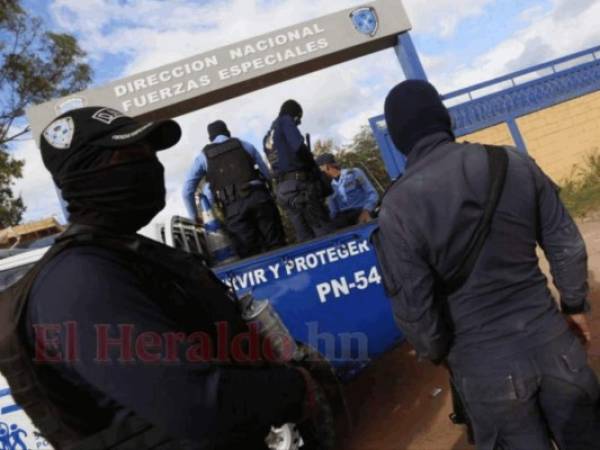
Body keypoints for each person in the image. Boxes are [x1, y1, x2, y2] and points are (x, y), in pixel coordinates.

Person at [0, 106, 316, 450]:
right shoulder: (79, 278)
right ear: (86, 172)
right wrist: (294, 388)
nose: (151, 163)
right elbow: (196, 404)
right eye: (133, 152)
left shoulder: (128, 254)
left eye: (150, 151)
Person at [373, 80, 600, 450]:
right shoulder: (512, 162)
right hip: (557, 349)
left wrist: (438, 351)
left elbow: (416, 311)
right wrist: (574, 306)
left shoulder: (396, 210)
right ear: (443, 118)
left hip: (485, 373)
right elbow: (566, 243)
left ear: (399, 139)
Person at [182, 120, 286, 258]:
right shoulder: (244, 144)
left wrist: (195, 217)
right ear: (228, 132)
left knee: (250, 253)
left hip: (233, 208)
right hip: (259, 198)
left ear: (210, 139)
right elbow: (266, 172)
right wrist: (271, 191)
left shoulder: (203, 157)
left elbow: (187, 190)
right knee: (277, 244)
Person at [264, 100, 334, 242]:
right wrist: (312, 165)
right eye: (298, 120)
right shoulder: (285, 121)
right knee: (324, 233)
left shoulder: (268, 136)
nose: (298, 123)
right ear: (295, 114)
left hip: (283, 191)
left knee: (305, 238)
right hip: (300, 187)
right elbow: (298, 148)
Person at [315, 153, 379, 229]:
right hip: (344, 219)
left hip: (362, 211)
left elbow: (373, 194)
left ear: (327, 167)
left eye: (320, 170)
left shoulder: (354, 173)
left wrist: (366, 210)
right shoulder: (328, 186)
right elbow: (333, 212)